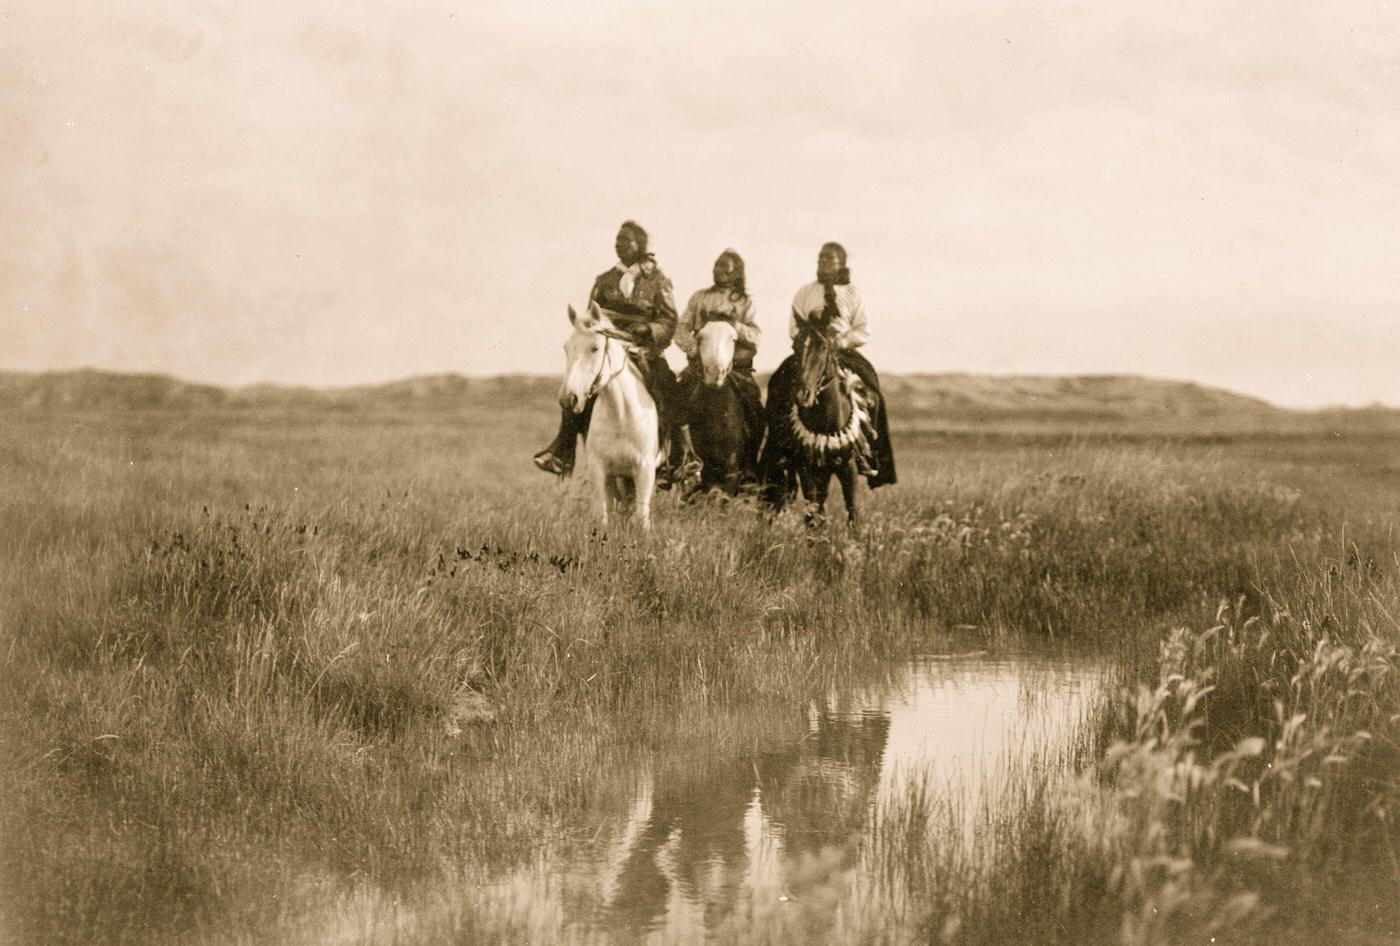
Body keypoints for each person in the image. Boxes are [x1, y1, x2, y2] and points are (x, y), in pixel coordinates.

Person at [533, 221, 687, 481]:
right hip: (607, 350)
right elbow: (591, 321)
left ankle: (680, 458)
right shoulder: (604, 280)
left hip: (643, 351)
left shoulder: (658, 280)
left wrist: (648, 330)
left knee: (668, 390)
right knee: (576, 389)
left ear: (641, 245)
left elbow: (669, 320)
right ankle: (561, 451)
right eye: (617, 240)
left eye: (626, 240)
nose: (619, 244)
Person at [776, 241, 896, 486]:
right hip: (810, 351)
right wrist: (807, 340)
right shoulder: (805, 292)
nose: (823, 261)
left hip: (842, 352)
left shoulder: (853, 293)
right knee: (779, 385)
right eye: (820, 257)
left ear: (842, 263)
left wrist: (842, 341)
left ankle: (867, 452)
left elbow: (864, 330)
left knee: (872, 391)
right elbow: (793, 327)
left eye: (829, 258)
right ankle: (782, 452)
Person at [675, 249, 764, 474]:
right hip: (699, 365)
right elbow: (682, 327)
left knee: (754, 405)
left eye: (725, 267)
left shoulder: (745, 302)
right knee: (676, 400)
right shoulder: (699, 298)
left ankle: (750, 465)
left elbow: (756, 335)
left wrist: (735, 325)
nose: (719, 270)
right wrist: (693, 349)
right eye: (716, 265)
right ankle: (677, 460)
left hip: (736, 367)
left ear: (737, 273)